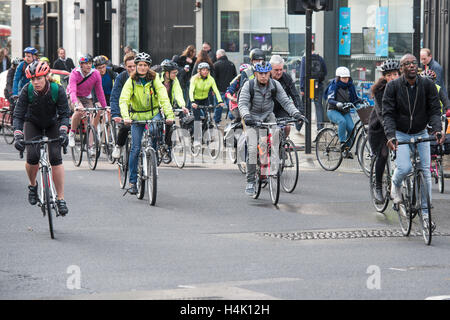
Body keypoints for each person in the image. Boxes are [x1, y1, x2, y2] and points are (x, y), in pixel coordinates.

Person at [383, 54, 444, 229]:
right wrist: (390, 135)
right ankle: (395, 185)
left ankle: (426, 215)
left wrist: (437, 129)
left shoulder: (427, 85)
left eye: (413, 63)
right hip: (401, 134)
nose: (411, 65)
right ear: (401, 68)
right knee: (404, 168)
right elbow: (387, 113)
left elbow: (434, 109)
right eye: (407, 63)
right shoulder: (393, 87)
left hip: (421, 132)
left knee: (425, 172)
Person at [12, 60, 71, 215]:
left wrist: (64, 131)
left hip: (52, 124)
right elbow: (18, 115)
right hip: (33, 123)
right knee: (32, 156)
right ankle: (33, 185)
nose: (35, 82)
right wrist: (18, 135)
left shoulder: (57, 89)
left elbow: (65, 114)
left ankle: (60, 198)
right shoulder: (27, 90)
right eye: (32, 79)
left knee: (56, 157)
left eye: (39, 78)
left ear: (46, 76)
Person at [238, 61, 303, 196]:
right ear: (256, 74)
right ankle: (250, 181)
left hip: (268, 116)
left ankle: (275, 162)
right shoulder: (248, 85)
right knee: (251, 148)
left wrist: (296, 113)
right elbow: (243, 104)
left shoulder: (275, 85)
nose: (263, 76)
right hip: (252, 117)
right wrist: (246, 116)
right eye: (260, 73)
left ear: (269, 73)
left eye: (266, 73)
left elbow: (285, 101)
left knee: (275, 138)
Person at [119, 52, 175, 194]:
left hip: (153, 113)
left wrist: (169, 115)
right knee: (136, 148)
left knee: (156, 132)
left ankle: (152, 157)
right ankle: (132, 182)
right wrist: (126, 117)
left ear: (149, 67)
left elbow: (163, 97)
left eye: (145, 65)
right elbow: (124, 100)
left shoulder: (154, 78)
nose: (142, 68)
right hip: (136, 116)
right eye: (140, 65)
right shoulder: (131, 81)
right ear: (136, 66)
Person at [367, 59, 400, 203]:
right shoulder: (380, 91)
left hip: (398, 127)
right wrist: (390, 134)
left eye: (394, 74)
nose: (392, 78)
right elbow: (382, 115)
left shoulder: (404, 87)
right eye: (388, 75)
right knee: (383, 155)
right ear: (384, 77)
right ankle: (378, 186)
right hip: (380, 129)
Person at [67, 54, 108, 148]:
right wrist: (77, 104)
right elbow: (73, 91)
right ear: (81, 65)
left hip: (86, 97)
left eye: (90, 63)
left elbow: (100, 92)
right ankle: (72, 134)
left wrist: (104, 107)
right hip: (74, 96)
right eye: (86, 64)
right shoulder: (74, 73)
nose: (89, 65)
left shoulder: (95, 74)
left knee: (90, 119)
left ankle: (90, 146)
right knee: (78, 112)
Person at [325, 66, 362, 159]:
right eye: (343, 78)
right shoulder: (333, 85)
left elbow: (354, 99)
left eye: (347, 77)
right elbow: (330, 100)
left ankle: (346, 149)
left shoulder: (350, 86)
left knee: (352, 128)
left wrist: (361, 101)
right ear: (338, 77)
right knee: (342, 122)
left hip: (345, 111)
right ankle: (342, 143)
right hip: (333, 110)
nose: (346, 80)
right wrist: (337, 103)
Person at [270, 55, 305, 134]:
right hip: (267, 107)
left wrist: (299, 112)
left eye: (281, 70)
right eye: (276, 70)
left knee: (286, 127)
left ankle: (282, 144)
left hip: (281, 107)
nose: (279, 72)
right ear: (270, 69)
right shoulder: (265, 77)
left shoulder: (286, 78)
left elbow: (295, 95)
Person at [110, 52, 136, 159]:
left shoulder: (143, 76)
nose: (132, 68)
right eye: (129, 66)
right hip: (124, 108)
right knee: (126, 127)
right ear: (125, 67)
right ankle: (119, 145)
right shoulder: (121, 77)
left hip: (139, 110)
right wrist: (116, 114)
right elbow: (115, 96)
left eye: (134, 66)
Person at [159, 59, 189, 151]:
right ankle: (156, 145)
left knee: (170, 124)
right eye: (173, 73)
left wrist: (182, 105)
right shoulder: (157, 79)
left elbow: (178, 93)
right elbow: (157, 94)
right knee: (157, 127)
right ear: (166, 73)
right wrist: (161, 106)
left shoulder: (174, 80)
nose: (175, 75)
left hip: (169, 106)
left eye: (176, 72)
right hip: (158, 106)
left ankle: (167, 148)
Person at [300, 46, 327, 130]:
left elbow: (302, 75)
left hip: (308, 86)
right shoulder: (320, 58)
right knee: (318, 105)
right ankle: (320, 127)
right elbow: (325, 72)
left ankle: (298, 126)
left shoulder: (305, 59)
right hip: (317, 85)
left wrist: (302, 88)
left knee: (304, 106)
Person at [213, 49, 237, 126]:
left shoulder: (216, 65)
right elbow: (235, 78)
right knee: (231, 106)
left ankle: (217, 121)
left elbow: (214, 78)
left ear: (219, 55)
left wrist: (213, 89)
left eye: (217, 55)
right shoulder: (231, 64)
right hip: (230, 91)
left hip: (219, 89)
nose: (216, 57)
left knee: (218, 106)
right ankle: (233, 119)